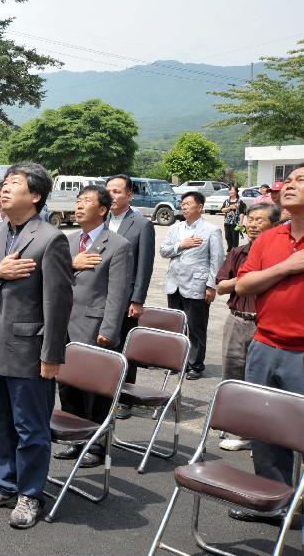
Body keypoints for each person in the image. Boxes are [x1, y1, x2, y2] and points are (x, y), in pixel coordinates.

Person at [0, 163, 73, 529]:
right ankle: (2, 483)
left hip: (30, 350)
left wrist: (52, 355)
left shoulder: (51, 239)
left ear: (36, 195)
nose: (4, 189)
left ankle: (30, 494)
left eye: (14, 184)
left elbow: (58, 303)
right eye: (4, 183)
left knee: (30, 427)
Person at [231, 167, 304, 523]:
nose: (290, 185)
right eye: (287, 181)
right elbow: (244, 286)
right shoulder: (270, 238)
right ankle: (272, 503)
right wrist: (287, 267)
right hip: (264, 345)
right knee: (265, 431)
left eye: (300, 181)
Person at [55, 185, 132, 469]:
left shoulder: (118, 245)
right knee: (67, 385)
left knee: (96, 390)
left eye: (86, 201)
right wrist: (71, 265)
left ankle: (97, 445)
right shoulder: (69, 241)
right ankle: (75, 439)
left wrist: (109, 330)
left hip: (93, 326)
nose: (78, 205)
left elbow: (117, 293)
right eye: (77, 200)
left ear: (102, 209)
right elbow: (57, 280)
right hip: (64, 324)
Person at [214, 203, 280, 452]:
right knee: (233, 374)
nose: (252, 225)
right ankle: (238, 429)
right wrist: (249, 280)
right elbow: (220, 286)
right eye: (250, 220)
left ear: (274, 226)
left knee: (264, 380)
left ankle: (263, 437)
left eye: (259, 220)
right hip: (237, 318)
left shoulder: (279, 256)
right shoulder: (238, 252)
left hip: (265, 322)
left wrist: (239, 282)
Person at [104, 174, 156, 419]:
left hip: (126, 297)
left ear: (129, 195)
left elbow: (144, 265)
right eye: (109, 191)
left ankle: (125, 398)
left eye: (117, 191)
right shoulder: (101, 219)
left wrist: (138, 299)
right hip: (100, 294)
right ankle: (103, 390)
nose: (112, 196)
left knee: (125, 345)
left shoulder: (141, 224)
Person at [159, 191, 224, 380]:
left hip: (197, 285)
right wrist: (182, 244)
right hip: (174, 284)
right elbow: (164, 251)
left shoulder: (211, 230)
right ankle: (176, 362)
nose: (184, 206)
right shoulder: (176, 228)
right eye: (182, 203)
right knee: (176, 326)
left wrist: (211, 286)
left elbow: (216, 260)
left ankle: (195, 365)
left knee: (196, 327)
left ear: (200, 207)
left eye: (188, 203)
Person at [220, 185, 247, 252]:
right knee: (227, 237)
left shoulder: (240, 201)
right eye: (230, 190)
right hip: (227, 222)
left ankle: (234, 252)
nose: (231, 191)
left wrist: (240, 223)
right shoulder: (226, 201)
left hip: (235, 224)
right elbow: (222, 210)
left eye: (232, 190)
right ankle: (229, 251)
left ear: (236, 191)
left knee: (234, 239)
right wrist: (229, 208)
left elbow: (242, 213)